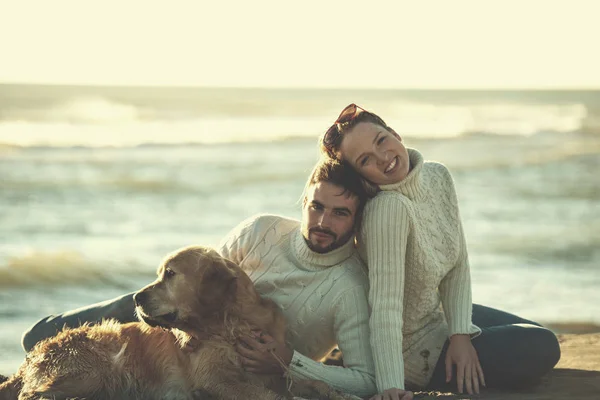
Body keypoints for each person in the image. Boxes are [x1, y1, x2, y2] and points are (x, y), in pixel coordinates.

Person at [21, 157, 378, 398]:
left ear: (357, 219)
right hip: (176, 318)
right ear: (303, 202)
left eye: (340, 213)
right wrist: (190, 328)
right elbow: (200, 269)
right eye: (316, 206)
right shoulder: (261, 230)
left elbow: (366, 380)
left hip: (190, 326)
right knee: (41, 336)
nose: (322, 222)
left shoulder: (349, 288)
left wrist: (289, 360)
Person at [318, 103, 561, 400]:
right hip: (412, 350)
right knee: (542, 346)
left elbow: (458, 262)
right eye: (366, 159)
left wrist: (460, 334)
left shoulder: (436, 176)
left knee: (533, 331)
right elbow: (385, 307)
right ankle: (420, 374)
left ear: (394, 133)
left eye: (382, 140)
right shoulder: (388, 210)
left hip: (437, 317)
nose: (383, 158)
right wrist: (391, 387)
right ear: (361, 176)